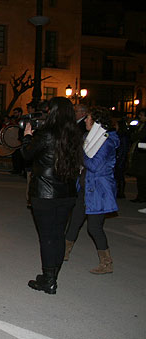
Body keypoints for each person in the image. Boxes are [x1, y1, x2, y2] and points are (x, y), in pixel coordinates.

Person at [21, 97, 82, 295]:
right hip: (67, 193)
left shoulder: (47, 134)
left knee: (47, 237)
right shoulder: (75, 134)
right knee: (58, 235)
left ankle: (48, 280)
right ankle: (53, 275)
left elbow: (27, 155)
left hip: (45, 193)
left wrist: (28, 136)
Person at [64, 107, 118, 274]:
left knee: (94, 227)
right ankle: (63, 252)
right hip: (86, 188)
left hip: (99, 191)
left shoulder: (106, 142)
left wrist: (79, 152)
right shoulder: (90, 137)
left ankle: (107, 263)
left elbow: (94, 165)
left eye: (88, 118)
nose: (85, 121)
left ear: (96, 123)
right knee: (74, 221)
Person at [128, 109, 146, 203]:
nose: (140, 117)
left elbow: (139, 136)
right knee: (140, 177)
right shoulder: (140, 125)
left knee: (142, 177)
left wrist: (135, 135)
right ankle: (140, 195)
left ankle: (142, 196)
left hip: (143, 155)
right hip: (140, 154)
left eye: (142, 115)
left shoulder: (144, 127)